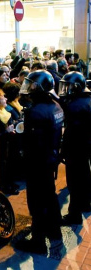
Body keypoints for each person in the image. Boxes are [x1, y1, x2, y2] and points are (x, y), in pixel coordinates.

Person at [15, 70, 64, 253]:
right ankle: (54, 232)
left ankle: (38, 241)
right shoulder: (56, 106)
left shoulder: (34, 112)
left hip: (37, 163)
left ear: (40, 87)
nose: (29, 87)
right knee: (49, 197)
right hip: (50, 159)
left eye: (32, 84)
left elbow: (31, 143)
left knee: (37, 202)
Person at [58, 71, 91, 224]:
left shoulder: (75, 106)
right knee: (85, 177)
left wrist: (63, 151)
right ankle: (85, 204)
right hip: (86, 147)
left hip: (76, 149)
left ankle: (74, 214)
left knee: (75, 182)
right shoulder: (87, 100)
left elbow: (71, 133)